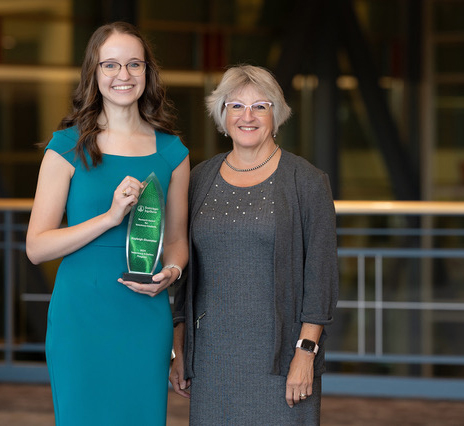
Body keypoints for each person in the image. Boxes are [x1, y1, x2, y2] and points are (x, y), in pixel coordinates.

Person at [26, 22, 190, 425]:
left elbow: (177, 242)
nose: (124, 76)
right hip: (80, 316)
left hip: (144, 314)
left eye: (134, 65)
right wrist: (110, 218)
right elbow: (37, 247)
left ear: (147, 73)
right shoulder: (65, 147)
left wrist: (172, 271)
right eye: (111, 65)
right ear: (94, 74)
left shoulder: (173, 152)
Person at [169, 65, 339, 425]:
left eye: (260, 106)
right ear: (222, 114)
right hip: (213, 359)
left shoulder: (307, 182)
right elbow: (186, 275)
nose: (248, 117)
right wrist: (179, 348)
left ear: (276, 114)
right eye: (236, 106)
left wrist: (306, 353)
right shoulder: (199, 178)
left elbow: (320, 277)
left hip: (282, 360)